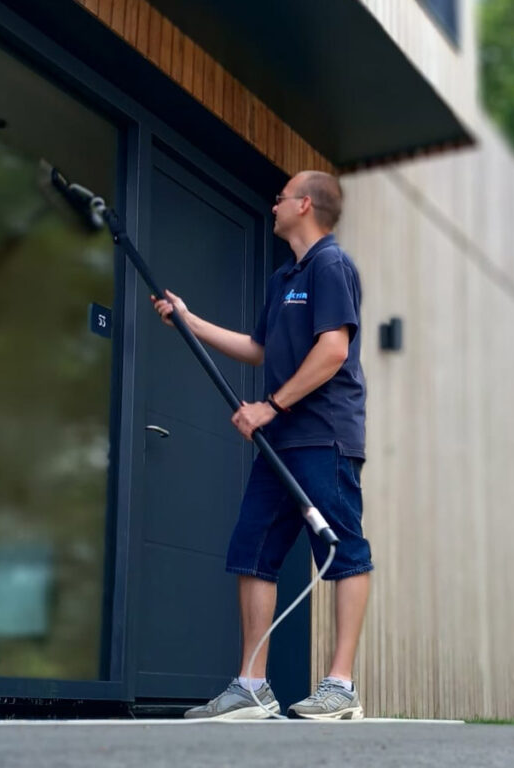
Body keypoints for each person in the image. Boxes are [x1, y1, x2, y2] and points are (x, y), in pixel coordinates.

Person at [151, 170, 372, 720]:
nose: (271, 204)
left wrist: (269, 406)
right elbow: (258, 348)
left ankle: (340, 687)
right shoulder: (283, 278)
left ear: (303, 205)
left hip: (326, 436)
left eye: (279, 197)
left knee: (343, 550)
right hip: (282, 441)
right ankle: (252, 686)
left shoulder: (331, 265)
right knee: (252, 551)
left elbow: (333, 352)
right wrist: (188, 320)